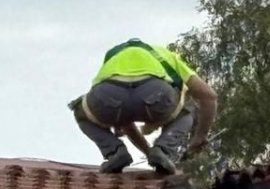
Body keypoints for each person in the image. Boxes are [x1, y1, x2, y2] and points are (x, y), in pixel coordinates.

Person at [72, 38, 217, 174]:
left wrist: (149, 153)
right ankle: (165, 149)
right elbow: (208, 96)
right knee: (187, 106)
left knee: (80, 110)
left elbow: (126, 123)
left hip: (110, 96)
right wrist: (200, 136)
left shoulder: (112, 58)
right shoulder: (166, 56)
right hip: (155, 95)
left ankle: (115, 151)